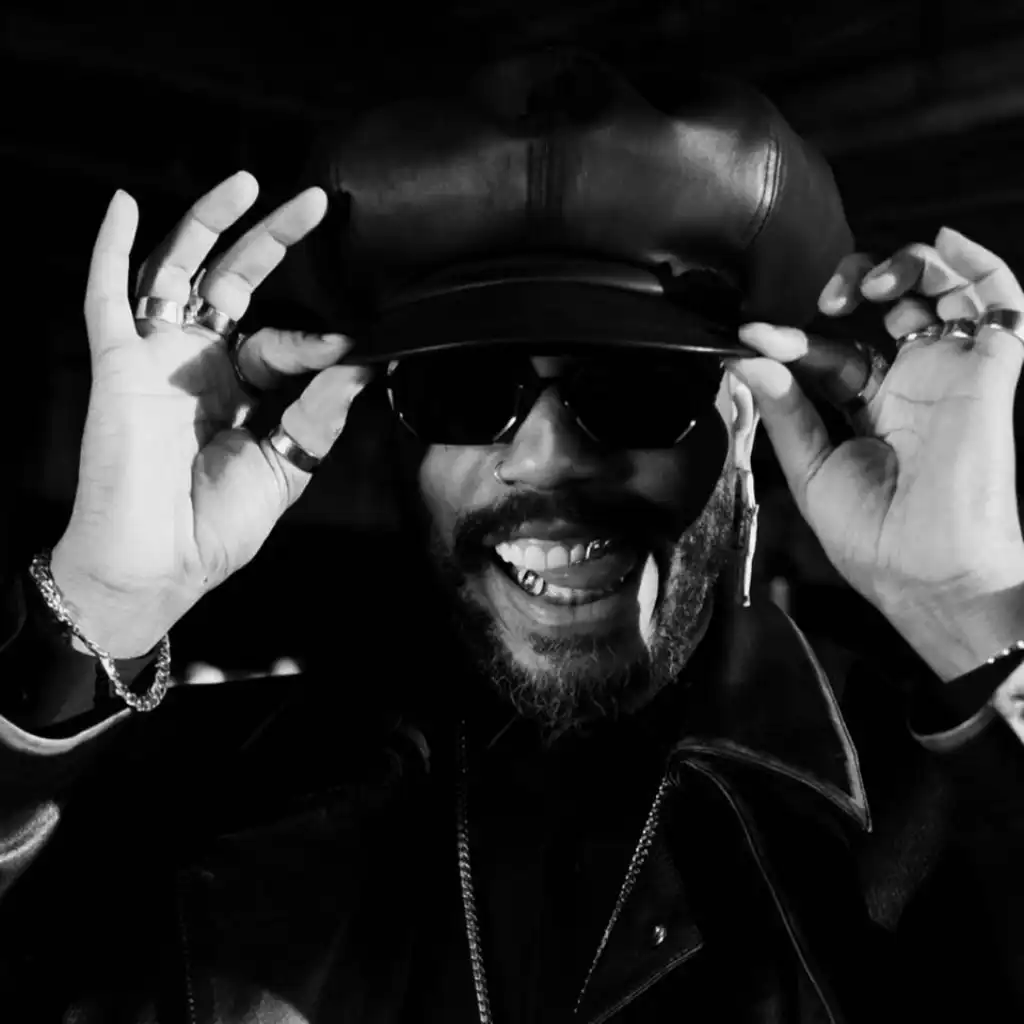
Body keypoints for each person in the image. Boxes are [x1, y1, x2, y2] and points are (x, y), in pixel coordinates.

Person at [1, 48, 1023, 1023]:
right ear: (398, 434)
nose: (546, 458)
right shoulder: (201, 796)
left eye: (636, 387)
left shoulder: (937, 813)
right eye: (462, 389)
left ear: (744, 424)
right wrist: (105, 603)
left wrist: (972, 610)